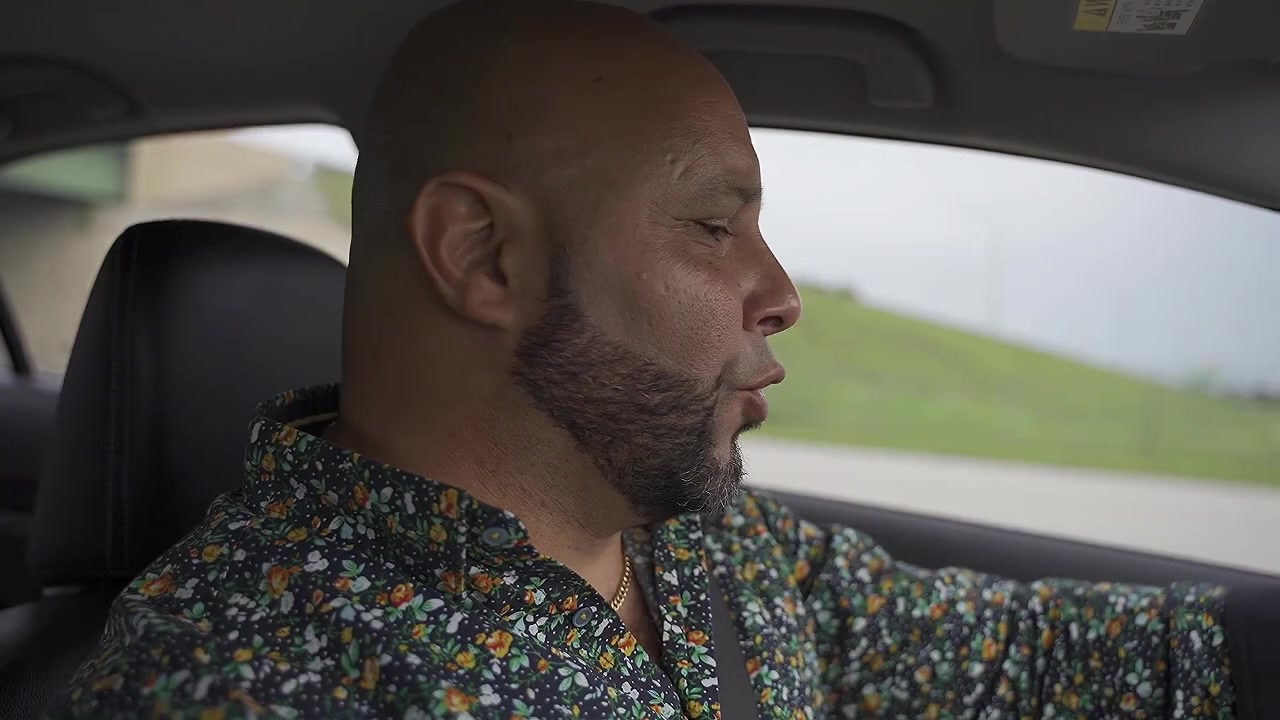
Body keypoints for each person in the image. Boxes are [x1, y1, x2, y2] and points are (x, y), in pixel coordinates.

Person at [51, 1, 1236, 718]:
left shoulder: (704, 536)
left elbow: (1031, 660)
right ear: (482, 255)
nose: (781, 296)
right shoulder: (241, 683)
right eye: (713, 226)